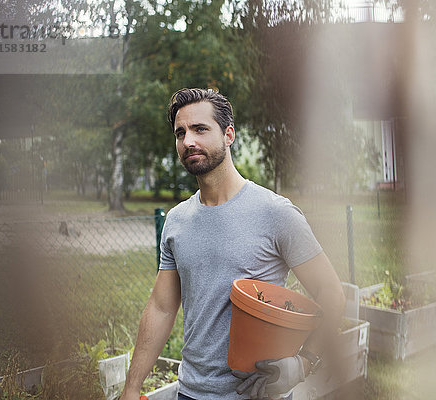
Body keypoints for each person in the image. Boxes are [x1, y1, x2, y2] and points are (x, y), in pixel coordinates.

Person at [119, 88, 345, 400]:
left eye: (200, 129)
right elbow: (161, 307)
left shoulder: (276, 212)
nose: (188, 141)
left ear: (229, 135)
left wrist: (305, 362)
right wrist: (132, 388)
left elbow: (331, 292)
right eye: (180, 133)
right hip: (190, 393)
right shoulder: (176, 221)